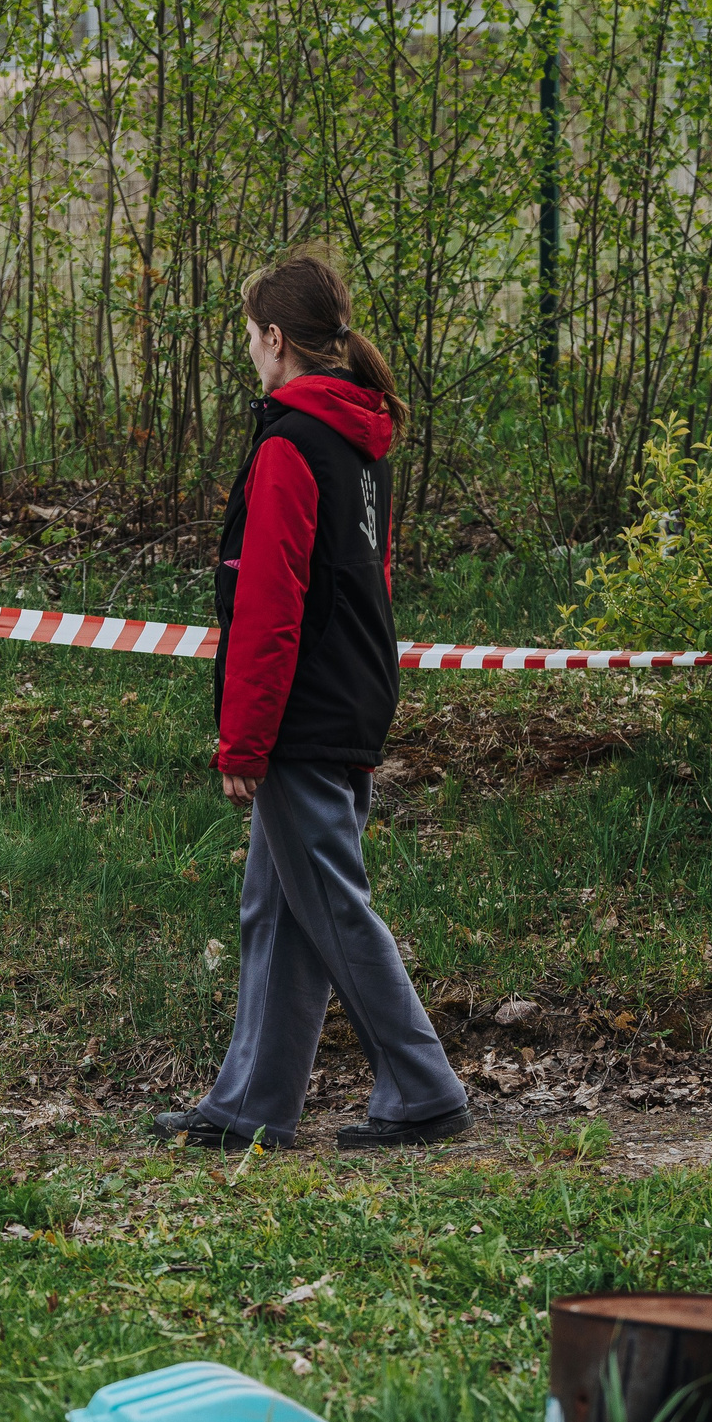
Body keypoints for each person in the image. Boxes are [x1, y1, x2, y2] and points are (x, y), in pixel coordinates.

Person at [153, 255, 471, 1153]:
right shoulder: (358, 439)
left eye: (251, 337)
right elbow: (372, 584)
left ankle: (422, 1086)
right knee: (278, 906)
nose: (248, 353)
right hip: (349, 698)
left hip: (301, 714)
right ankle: (253, 1103)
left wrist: (243, 742)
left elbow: (269, 606)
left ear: (277, 340)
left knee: (329, 902)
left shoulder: (293, 444)